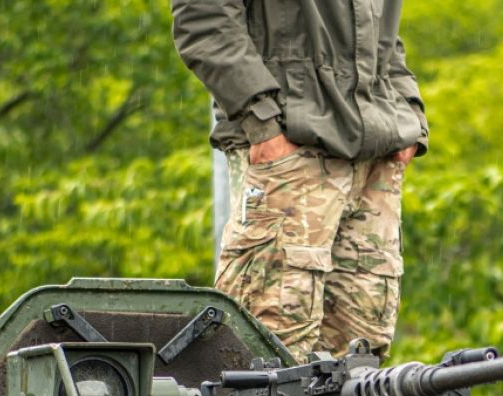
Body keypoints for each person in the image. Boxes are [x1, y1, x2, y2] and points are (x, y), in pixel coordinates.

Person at [171, 0, 427, 361]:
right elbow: (204, 19)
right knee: (266, 354)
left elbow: (381, 36)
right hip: (290, 152)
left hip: (376, 160)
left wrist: (409, 112)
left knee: (360, 366)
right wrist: (261, 122)